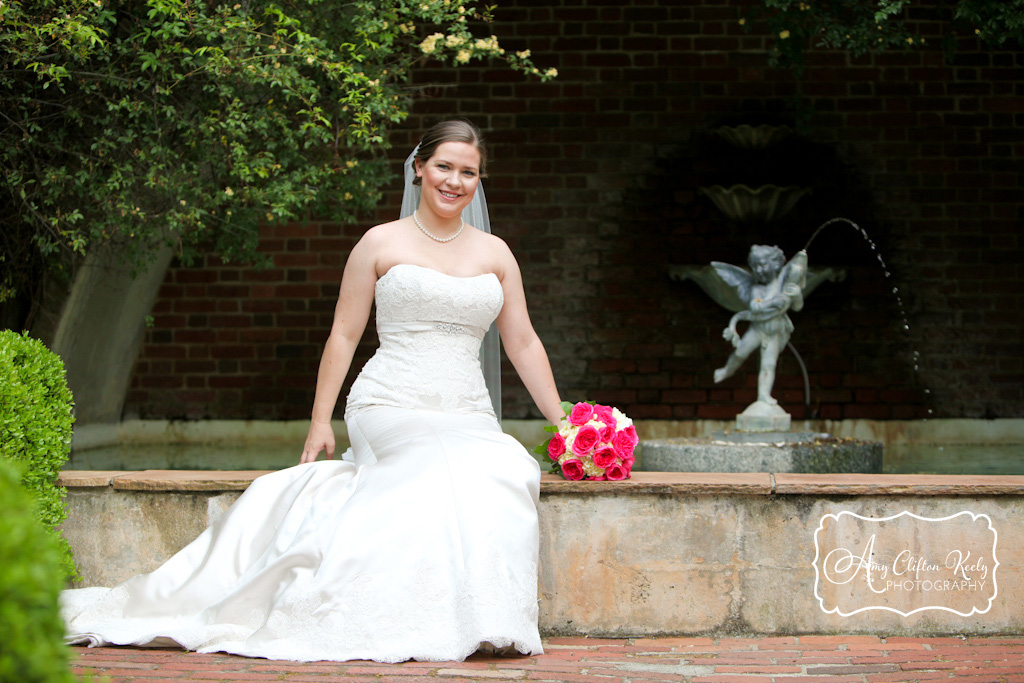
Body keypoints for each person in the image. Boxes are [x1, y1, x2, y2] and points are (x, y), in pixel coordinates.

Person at [61, 119, 564, 663]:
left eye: (468, 172)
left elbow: (524, 343)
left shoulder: (495, 253)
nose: (454, 181)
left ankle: (485, 621)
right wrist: (321, 421)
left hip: (467, 410)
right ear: (419, 167)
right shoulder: (379, 242)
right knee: (431, 465)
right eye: (444, 166)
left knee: (506, 469)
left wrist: (566, 425)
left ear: (478, 181)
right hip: (388, 403)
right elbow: (344, 335)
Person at [712, 245, 807, 405]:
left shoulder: (783, 286)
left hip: (775, 330)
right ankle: (727, 370)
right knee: (740, 353)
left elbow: (797, 307)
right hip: (757, 329)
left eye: (763, 265)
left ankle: (763, 396)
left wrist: (797, 296)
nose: (758, 270)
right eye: (755, 267)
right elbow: (755, 307)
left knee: (769, 364)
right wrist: (773, 301)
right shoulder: (757, 288)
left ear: (777, 265)